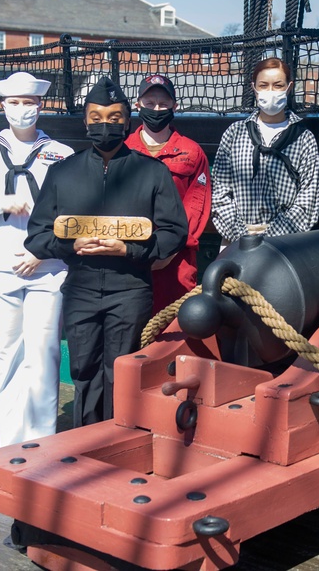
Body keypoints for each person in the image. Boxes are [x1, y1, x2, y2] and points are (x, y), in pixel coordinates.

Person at [25, 77, 187, 426]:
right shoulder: (62, 172)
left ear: (127, 122)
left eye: (115, 118)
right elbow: (36, 236)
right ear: (85, 121)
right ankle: (86, 439)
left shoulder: (152, 172)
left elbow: (175, 232)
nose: (105, 124)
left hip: (130, 290)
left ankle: (120, 439)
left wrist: (131, 250)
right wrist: (70, 246)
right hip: (80, 288)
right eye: (96, 116)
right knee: (83, 369)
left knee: (123, 369)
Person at [0, 71, 74, 448]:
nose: (22, 109)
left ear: (41, 106)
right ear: (2, 106)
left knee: (44, 355)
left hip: (46, 269)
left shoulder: (63, 155)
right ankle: (11, 444)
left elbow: (73, 215)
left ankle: (41, 444)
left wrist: (43, 251)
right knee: (8, 356)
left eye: (29, 102)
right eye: (14, 102)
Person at [211, 57, 319, 244]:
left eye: (278, 85)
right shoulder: (235, 133)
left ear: (289, 87)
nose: (270, 91)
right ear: (254, 87)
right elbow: (220, 191)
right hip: (236, 240)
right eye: (263, 85)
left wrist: (270, 238)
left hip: (286, 242)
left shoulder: (304, 138)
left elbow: (309, 197)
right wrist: (242, 236)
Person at [125, 74, 211, 313]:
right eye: (150, 103)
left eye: (163, 103)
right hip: (129, 256)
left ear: (175, 106)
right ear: (138, 104)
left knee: (173, 329)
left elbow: (196, 205)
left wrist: (169, 249)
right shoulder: (123, 150)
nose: (157, 109)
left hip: (177, 260)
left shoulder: (192, 152)